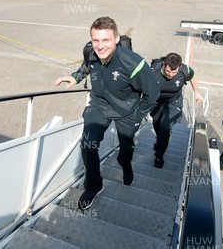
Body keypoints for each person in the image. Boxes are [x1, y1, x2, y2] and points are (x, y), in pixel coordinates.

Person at [55, 16, 160, 210]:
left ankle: (126, 165)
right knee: (87, 145)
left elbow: (153, 94)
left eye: (106, 40)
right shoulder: (92, 52)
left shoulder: (134, 64)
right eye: (96, 40)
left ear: (117, 39)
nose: (100, 46)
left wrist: (137, 115)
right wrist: (75, 77)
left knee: (126, 151)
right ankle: (94, 185)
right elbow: (86, 66)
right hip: (99, 105)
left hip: (127, 111)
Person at [150, 53, 203, 168]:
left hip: (173, 103)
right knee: (156, 124)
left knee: (165, 128)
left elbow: (193, 77)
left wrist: (196, 91)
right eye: (168, 71)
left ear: (179, 67)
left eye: (174, 72)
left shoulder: (185, 70)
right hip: (156, 102)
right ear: (164, 64)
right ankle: (158, 139)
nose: (171, 75)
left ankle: (159, 156)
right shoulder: (153, 70)